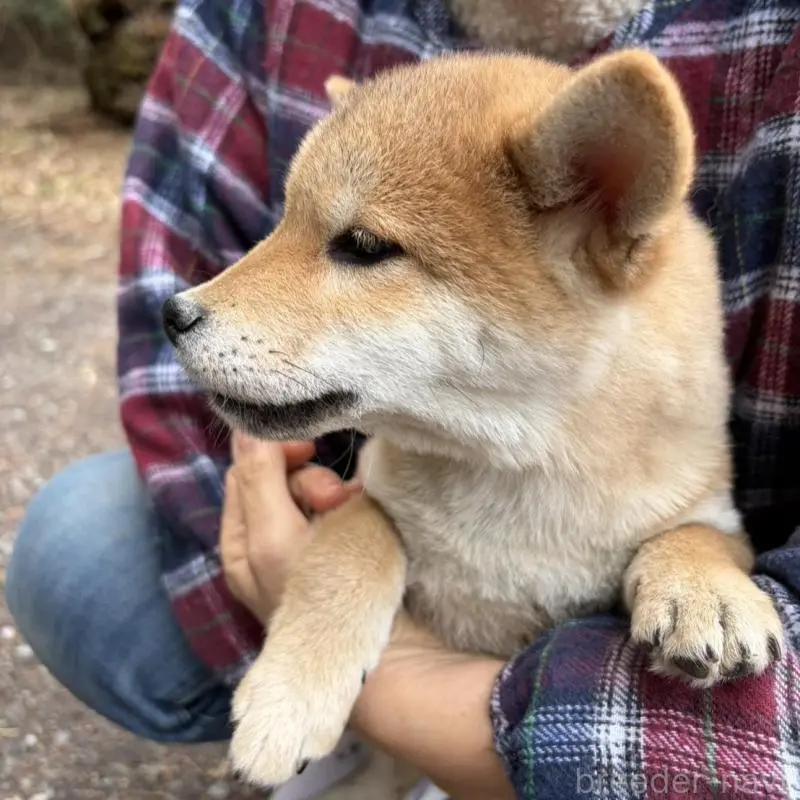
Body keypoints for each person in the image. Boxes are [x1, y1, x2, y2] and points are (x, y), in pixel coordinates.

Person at [5, 0, 800, 796]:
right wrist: (320, 609)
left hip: (617, 724)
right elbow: (369, 515)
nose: (206, 300)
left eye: (362, 247)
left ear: (598, 194)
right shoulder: (265, 17)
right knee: (83, 544)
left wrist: (685, 559)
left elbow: (703, 530)